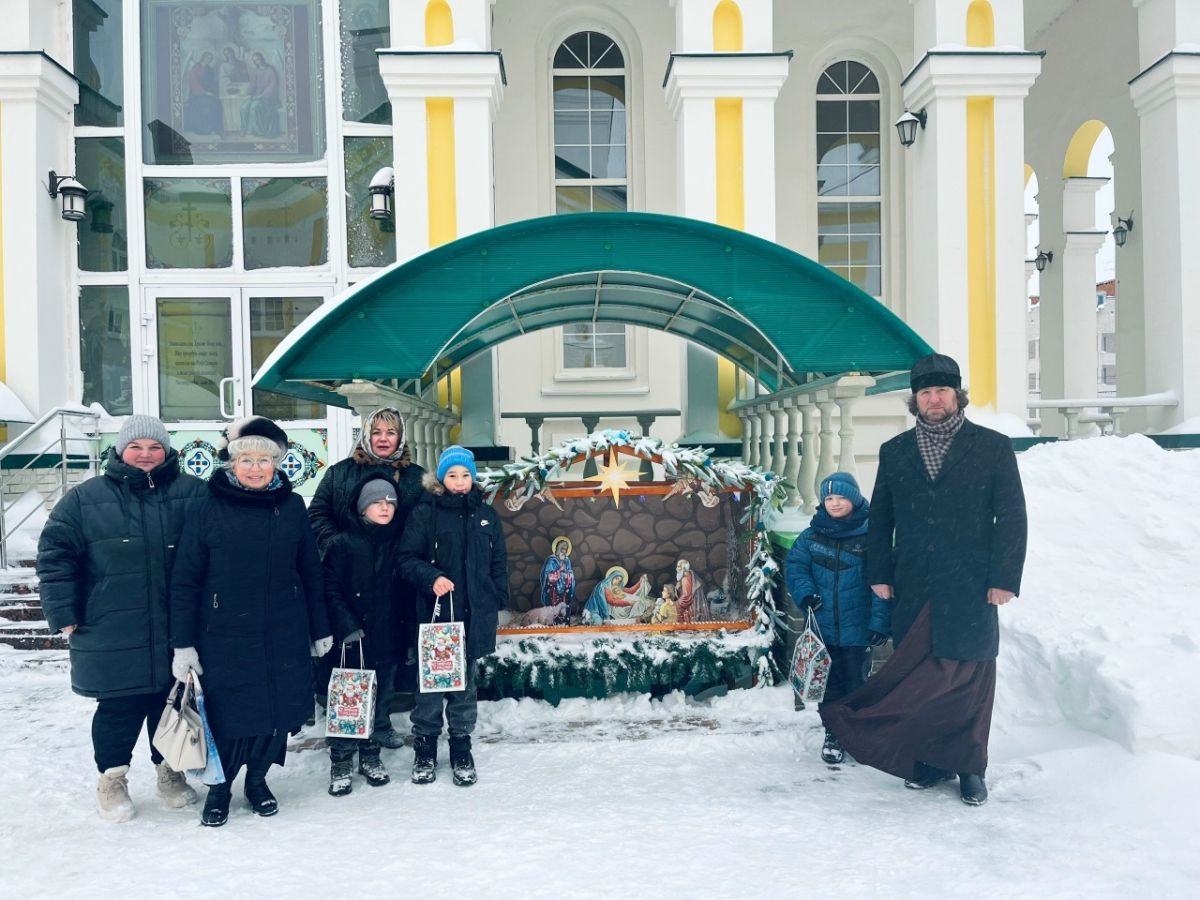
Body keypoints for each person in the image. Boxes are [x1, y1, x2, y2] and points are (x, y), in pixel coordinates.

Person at [821, 353, 1027, 806]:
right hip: (913, 582)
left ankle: (969, 767)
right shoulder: (896, 451)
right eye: (926, 392)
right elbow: (882, 518)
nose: (934, 399)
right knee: (920, 677)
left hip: (972, 583)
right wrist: (879, 573)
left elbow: (1012, 516)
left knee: (968, 676)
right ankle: (931, 761)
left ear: (957, 396)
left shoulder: (992, 447)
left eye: (942, 391)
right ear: (915, 400)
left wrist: (1004, 577)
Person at [37, 415, 207, 822]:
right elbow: (56, 557)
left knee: (173, 704)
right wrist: (63, 611)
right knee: (119, 708)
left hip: (178, 626)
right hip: (112, 626)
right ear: (119, 451)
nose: (146, 454)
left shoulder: (194, 493)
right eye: (136, 447)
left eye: (154, 447)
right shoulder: (85, 499)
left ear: (167, 451)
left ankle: (170, 771)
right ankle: (112, 780)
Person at [170, 416, 332, 826]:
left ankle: (257, 781)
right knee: (229, 715)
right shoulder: (207, 507)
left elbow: (310, 571)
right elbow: (185, 579)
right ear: (233, 464)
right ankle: (220, 788)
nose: (256, 468)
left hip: (283, 629)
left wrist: (320, 628)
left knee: (277, 712)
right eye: (247, 460)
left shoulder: (291, 507)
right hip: (224, 633)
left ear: (276, 464)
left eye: (264, 460)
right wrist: (183, 643)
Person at [308, 407, 425, 747]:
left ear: (400, 437)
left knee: (388, 655)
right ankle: (347, 729)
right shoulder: (340, 473)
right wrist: (340, 545)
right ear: (366, 436)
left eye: (391, 432)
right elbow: (318, 513)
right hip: (350, 579)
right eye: (377, 432)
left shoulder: (416, 477)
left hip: (394, 577)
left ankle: (382, 721)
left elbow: (425, 521)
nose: (383, 439)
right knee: (351, 655)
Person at [397, 446, 508, 787]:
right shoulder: (425, 513)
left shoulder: (486, 515)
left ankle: (461, 747)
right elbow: (405, 559)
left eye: (465, 475)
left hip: (474, 618)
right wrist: (431, 578)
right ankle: (425, 748)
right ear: (441, 479)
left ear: (473, 478)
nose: (460, 482)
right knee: (430, 690)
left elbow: (498, 563)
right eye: (452, 475)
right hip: (438, 618)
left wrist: (496, 598)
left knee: (464, 688)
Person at [785, 472, 891, 765]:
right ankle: (833, 733)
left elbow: (882, 582)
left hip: (858, 629)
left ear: (854, 498)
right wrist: (805, 594)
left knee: (857, 684)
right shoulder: (811, 536)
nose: (834, 503)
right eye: (829, 498)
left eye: (841, 497)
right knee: (828, 685)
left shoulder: (871, 536)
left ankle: (856, 733)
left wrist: (879, 623)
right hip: (824, 629)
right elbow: (796, 567)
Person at [323, 476, 405, 796]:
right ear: (362, 508)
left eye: (390, 503)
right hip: (352, 639)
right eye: (377, 503)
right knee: (348, 699)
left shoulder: (398, 543)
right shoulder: (342, 543)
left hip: (388, 635)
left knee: (379, 699)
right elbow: (329, 588)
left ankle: (370, 754)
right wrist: (346, 625)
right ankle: (341, 758)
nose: (385, 508)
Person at [241, 51, 281, 137]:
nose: (257, 62)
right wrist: (247, 93)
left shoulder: (270, 70)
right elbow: (253, 84)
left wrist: (262, 95)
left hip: (267, 97)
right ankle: (245, 129)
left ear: (262, 59)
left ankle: (257, 131)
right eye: (255, 60)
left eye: (258, 59)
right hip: (256, 95)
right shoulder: (256, 71)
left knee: (254, 107)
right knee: (243, 107)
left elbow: (272, 85)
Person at [184, 51, 222, 135]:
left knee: (217, 102)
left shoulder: (209, 69)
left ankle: (214, 128)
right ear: (203, 57)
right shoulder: (195, 68)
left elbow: (211, 83)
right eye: (207, 57)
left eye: (210, 58)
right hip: (197, 95)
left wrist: (216, 87)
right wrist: (205, 92)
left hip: (208, 93)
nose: (209, 60)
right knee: (208, 105)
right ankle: (204, 129)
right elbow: (194, 83)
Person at [539, 537, 575, 620]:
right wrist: (560, 572)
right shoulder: (551, 560)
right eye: (562, 549)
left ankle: (564, 619)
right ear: (558, 548)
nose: (564, 551)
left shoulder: (567, 560)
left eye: (566, 549)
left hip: (564, 591)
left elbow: (570, 573)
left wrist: (569, 575)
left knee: (564, 606)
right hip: (553, 590)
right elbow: (548, 576)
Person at [675, 559, 710, 623]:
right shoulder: (689, 575)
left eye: (679, 566)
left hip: (690, 607)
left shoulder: (685, 579)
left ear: (683, 569)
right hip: (693, 604)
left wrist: (677, 603)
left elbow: (686, 597)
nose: (676, 568)